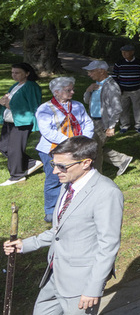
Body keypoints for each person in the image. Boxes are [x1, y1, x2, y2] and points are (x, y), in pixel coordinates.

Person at [4, 136, 123, 315]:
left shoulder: (107, 193)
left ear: (86, 163)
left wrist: (93, 288)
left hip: (82, 281)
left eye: (61, 166)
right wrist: (26, 244)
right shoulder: (68, 185)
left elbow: (108, 245)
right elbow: (59, 231)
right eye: (54, 165)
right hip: (55, 274)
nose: (54, 171)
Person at [35, 77, 94, 222]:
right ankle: (50, 210)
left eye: (72, 89)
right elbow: (47, 131)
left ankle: (71, 205)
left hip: (75, 147)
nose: (73, 92)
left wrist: (82, 141)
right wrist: (70, 142)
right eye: (69, 90)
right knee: (54, 178)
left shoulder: (78, 106)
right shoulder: (44, 109)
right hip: (52, 149)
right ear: (56, 92)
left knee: (75, 176)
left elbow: (88, 123)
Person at [81, 60, 133, 177]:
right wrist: (88, 91)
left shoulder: (111, 86)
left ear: (102, 71)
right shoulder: (95, 84)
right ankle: (121, 160)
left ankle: (97, 176)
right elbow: (86, 101)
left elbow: (117, 108)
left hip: (102, 122)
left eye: (91, 71)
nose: (89, 74)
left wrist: (111, 126)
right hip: (92, 120)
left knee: (94, 149)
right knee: (94, 147)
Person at [0, 61, 43, 186]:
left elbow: (33, 105)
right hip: (10, 121)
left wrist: (8, 104)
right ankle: (30, 163)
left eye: (17, 73)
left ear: (27, 73)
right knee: (3, 146)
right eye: (12, 72)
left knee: (14, 149)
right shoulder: (15, 85)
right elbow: (7, 101)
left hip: (22, 122)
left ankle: (17, 175)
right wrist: (3, 101)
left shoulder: (31, 86)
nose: (14, 75)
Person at [111, 44, 140, 133]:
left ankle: (139, 126)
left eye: (126, 52)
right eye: (122, 52)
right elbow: (114, 76)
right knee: (123, 109)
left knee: (138, 108)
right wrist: (118, 87)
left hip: (137, 89)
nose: (123, 54)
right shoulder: (119, 63)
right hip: (123, 90)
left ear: (132, 52)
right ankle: (124, 126)